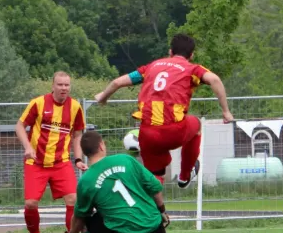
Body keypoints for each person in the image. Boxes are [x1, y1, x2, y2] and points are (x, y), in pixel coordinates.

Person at [56, 131, 215, 233]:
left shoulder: (86, 180)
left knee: (84, 223)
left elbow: (80, 216)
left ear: (84, 154)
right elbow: (155, 187)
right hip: (150, 222)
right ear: (102, 146)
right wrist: (162, 211)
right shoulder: (126, 160)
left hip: (120, 229)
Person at [94, 34, 234, 186]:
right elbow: (214, 80)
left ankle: (155, 209)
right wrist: (226, 111)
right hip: (173, 132)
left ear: (170, 52)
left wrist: (103, 96)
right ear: (191, 55)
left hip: (147, 134)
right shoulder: (192, 69)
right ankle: (184, 176)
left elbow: (116, 82)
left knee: (155, 178)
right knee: (197, 126)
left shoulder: (151, 67)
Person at [15, 71, 88, 233]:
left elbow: (78, 134)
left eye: (67, 85)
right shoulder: (38, 103)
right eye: (60, 84)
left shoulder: (75, 107)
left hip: (61, 163)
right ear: (53, 86)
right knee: (30, 203)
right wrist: (28, 147)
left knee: (73, 200)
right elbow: (19, 126)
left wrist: (78, 159)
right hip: (36, 162)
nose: (64, 88)